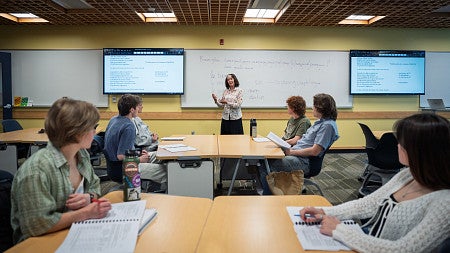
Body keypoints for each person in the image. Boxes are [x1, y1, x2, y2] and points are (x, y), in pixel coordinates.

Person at [300, 113, 450, 252]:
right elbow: (368, 204)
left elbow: (401, 250)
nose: (398, 146)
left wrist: (339, 230)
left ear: (421, 151)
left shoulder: (445, 203)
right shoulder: (408, 175)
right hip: (371, 240)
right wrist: (325, 212)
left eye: (402, 142)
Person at [10, 98, 112, 244]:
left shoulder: (81, 154)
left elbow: (95, 183)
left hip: (74, 232)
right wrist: (85, 213)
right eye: (92, 127)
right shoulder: (37, 170)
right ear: (77, 131)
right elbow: (37, 225)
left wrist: (89, 197)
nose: (95, 132)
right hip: (41, 244)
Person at [259, 93, 339, 195]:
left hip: (305, 162)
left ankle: (268, 197)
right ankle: (269, 191)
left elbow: (315, 151)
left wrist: (291, 152)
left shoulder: (327, 126)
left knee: (266, 165)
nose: (312, 108)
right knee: (264, 159)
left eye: (314, 105)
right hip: (297, 155)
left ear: (320, 108)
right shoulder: (321, 123)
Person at [103, 94, 167, 189]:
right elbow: (120, 156)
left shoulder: (114, 119)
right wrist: (139, 159)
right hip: (124, 167)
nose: (139, 109)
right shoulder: (129, 126)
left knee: (162, 156)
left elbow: (120, 147)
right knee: (167, 171)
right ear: (132, 110)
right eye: (138, 106)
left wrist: (138, 153)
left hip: (114, 166)